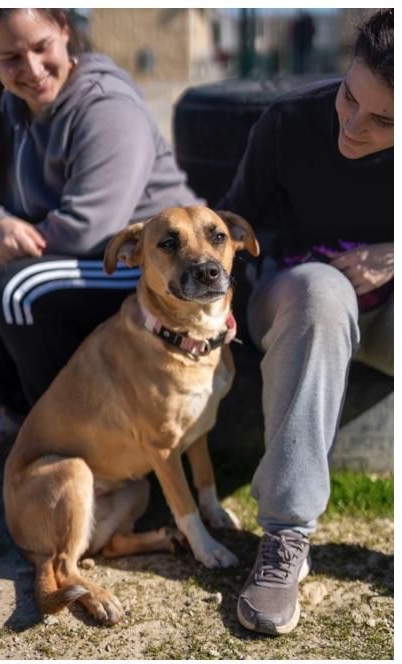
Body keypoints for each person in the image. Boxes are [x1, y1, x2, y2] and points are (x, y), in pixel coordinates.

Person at [0, 8, 200, 464]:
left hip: (149, 265)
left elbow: (90, 227)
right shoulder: (12, 111)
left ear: (65, 32)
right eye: (11, 57)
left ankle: (74, 441)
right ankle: (14, 414)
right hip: (80, 257)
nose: (30, 69)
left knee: (20, 289)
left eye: (41, 47)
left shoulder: (107, 107)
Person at [217, 8, 393, 636]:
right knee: (321, 292)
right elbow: (229, 231)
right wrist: (215, 311)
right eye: (350, 98)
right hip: (296, 298)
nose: (351, 124)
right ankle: (287, 538)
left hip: (387, 310)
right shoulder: (289, 123)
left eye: (382, 121)